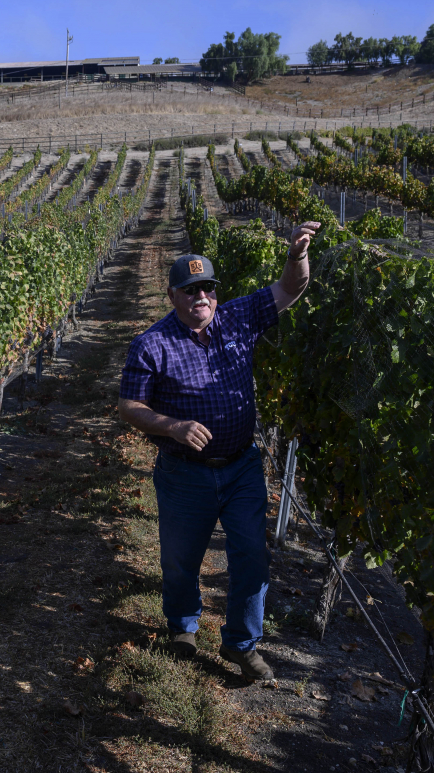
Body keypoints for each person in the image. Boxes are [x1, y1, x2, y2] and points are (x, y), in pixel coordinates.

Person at [117, 221, 321, 680]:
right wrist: (172, 426)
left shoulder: (240, 317)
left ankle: (241, 644)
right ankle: (183, 627)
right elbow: (129, 405)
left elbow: (292, 288)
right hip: (184, 472)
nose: (201, 298)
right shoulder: (152, 345)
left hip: (241, 467)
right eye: (190, 291)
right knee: (180, 559)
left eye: (207, 288)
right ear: (172, 295)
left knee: (251, 554)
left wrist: (297, 254)